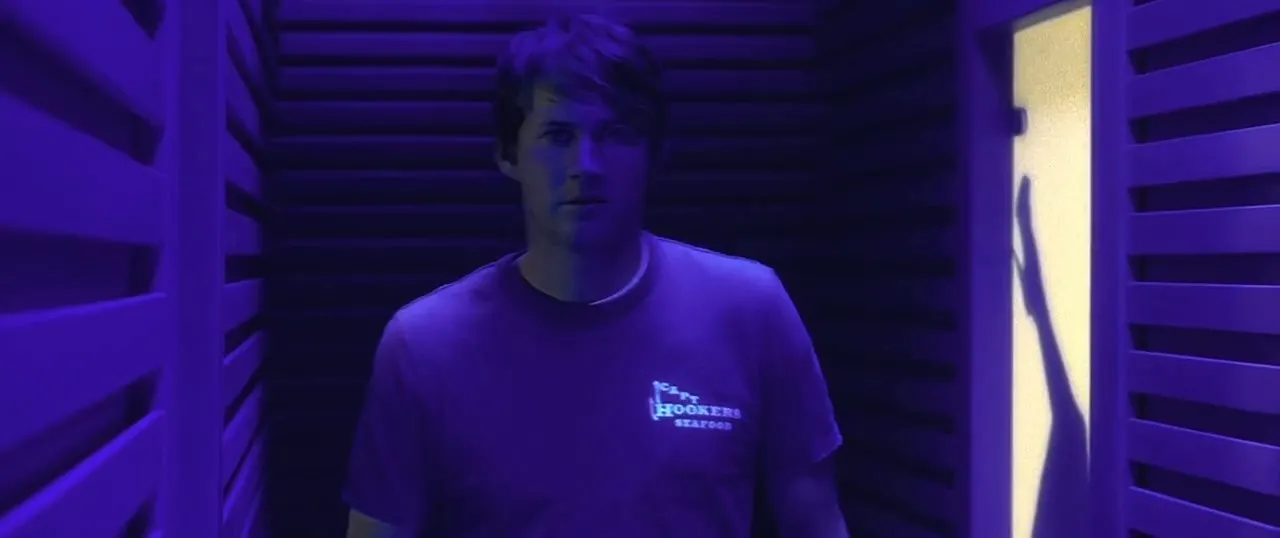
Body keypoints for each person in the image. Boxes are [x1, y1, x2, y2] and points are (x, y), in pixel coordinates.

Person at [344, 14, 847, 538]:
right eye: (558, 135)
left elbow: (817, 524)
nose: (587, 164)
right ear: (508, 155)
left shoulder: (751, 310)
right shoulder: (424, 345)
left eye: (615, 133)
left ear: (654, 152)